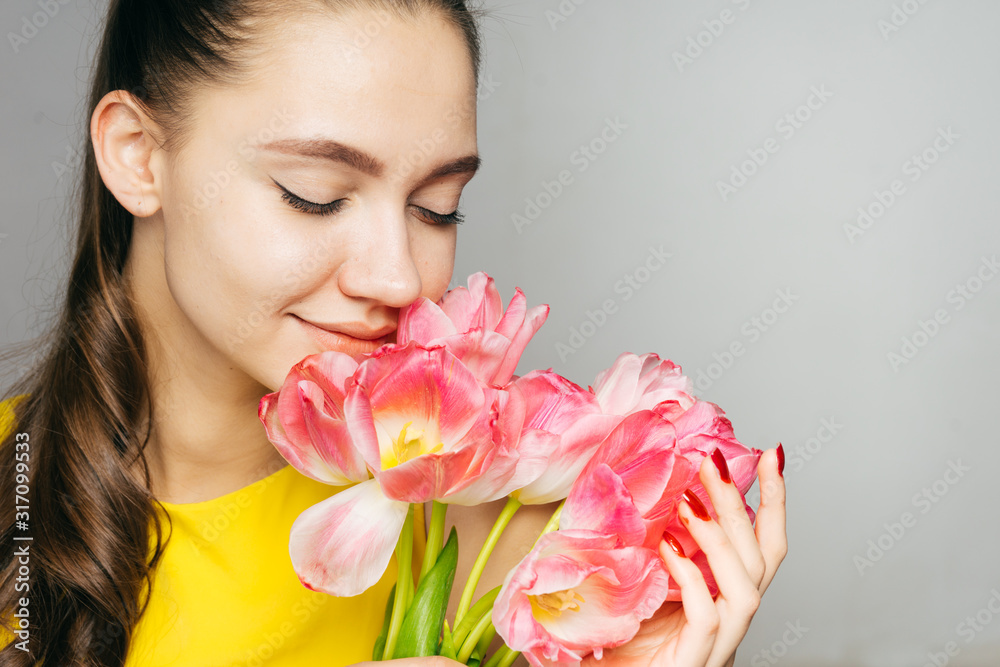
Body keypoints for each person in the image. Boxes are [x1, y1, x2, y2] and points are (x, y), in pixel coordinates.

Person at [0, 0, 788, 665]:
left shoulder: (512, 559)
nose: (400, 279)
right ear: (138, 157)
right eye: (315, 194)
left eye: (437, 207)